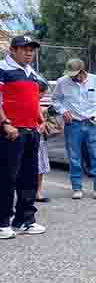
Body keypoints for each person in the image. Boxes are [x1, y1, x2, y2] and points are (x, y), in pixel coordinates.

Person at [0, 35, 45, 238]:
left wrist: (40, 119)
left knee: (28, 178)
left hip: (30, 131)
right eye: (24, 49)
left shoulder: (31, 73)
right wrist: (5, 123)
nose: (29, 52)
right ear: (12, 50)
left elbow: (33, 99)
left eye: (31, 49)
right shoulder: (3, 68)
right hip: (10, 131)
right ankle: (2, 223)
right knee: (7, 178)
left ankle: (25, 219)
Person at [52, 57, 96, 200]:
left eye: (75, 74)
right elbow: (55, 100)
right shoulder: (62, 82)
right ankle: (77, 188)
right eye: (70, 75)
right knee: (74, 157)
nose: (73, 77)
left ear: (82, 71)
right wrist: (62, 111)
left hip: (92, 124)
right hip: (73, 124)